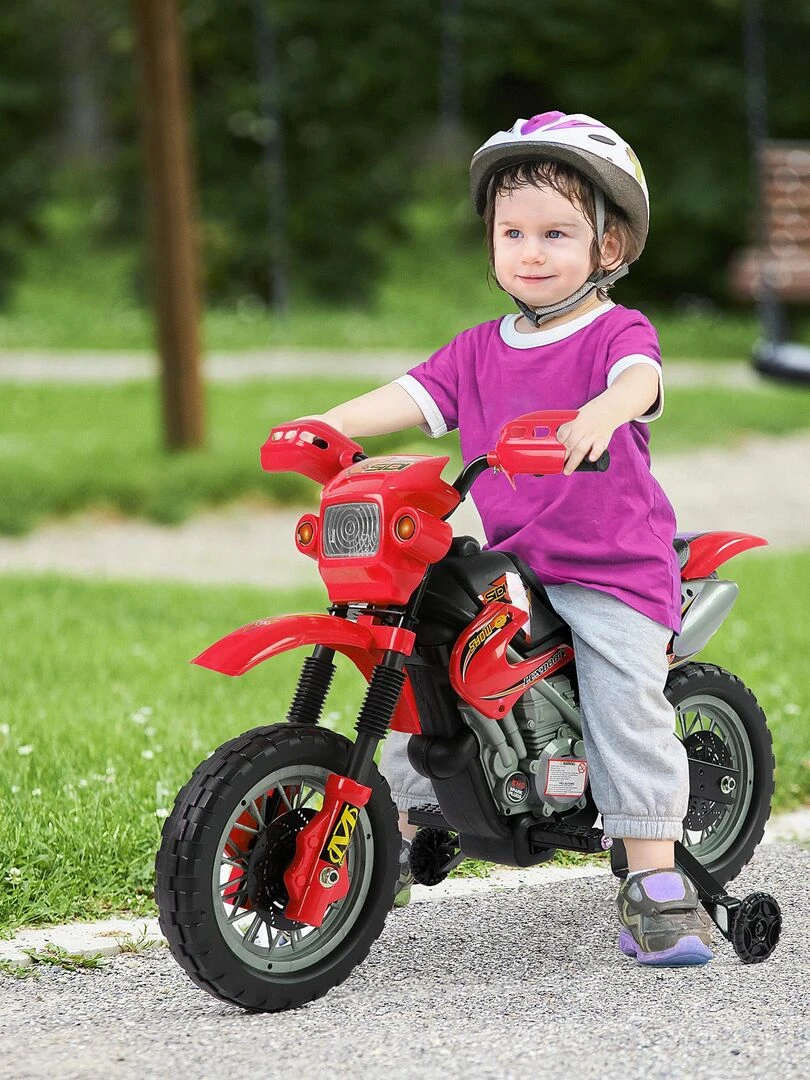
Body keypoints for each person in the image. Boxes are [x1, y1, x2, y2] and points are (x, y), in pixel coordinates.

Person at [295, 111, 712, 966]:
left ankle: (656, 878)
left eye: (557, 233)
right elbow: (413, 396)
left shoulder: (612, 333)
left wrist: (602, 410)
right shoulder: (480, 348)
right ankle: (409, 823)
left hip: (611, 570)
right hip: (518, 561)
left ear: (609, 245)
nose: (531, 251)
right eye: (512, 231)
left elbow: (643, 377)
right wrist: (328, 422)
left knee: (621, 702)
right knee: (423, 655)